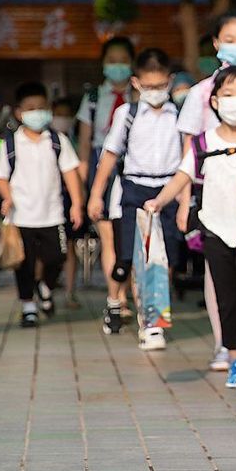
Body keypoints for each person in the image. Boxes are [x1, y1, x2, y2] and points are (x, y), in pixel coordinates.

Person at [146, 66, 236, 393]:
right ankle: (235, 356)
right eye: (228, 95)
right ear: (214, 101)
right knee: (226, 298)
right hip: (215, 229)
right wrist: (159, 201)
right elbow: (182, 177)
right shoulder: (202, 143)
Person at [178, 11, 236, 372]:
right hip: (212, 198)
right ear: (215, 43)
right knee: (217, 280)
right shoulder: (201, 93)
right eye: (230, 39)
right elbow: (189, 147)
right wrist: (185, 201)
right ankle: (223, 344)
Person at [89, 47, 184, 349]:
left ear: (169, 82)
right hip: (134, 189)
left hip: (167, 189)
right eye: (149, 86)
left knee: (164, 257)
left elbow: (187, 159)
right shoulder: (127, 114)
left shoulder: (179, 115)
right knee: (130, 257)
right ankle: (116, 300)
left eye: (160, 86)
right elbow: (110, 155)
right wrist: (96, 194)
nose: (155, 92)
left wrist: (183, 198)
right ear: (136, 83)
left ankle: (152, 320)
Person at [0, 83, 84, 328]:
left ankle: (45, 286)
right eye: (31, 108)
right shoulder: (10, 144)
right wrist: (7, 197)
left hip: (52, 214)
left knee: (57, 256)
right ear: (19, 113)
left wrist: (76, 204)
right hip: (21, 215)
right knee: (24, 263)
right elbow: (1, 176)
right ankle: (28, 306)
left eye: (42, 107)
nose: (37, 113)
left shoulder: (57, 141)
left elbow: (70, 173)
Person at [77, 37, 136, 328]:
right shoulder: (91, 98)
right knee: (109, 237)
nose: (117, 66)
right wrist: (86, 184)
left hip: (135, 167)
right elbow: (86, 143)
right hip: (103, 167)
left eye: (122, 60)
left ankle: (132, 292)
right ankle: (117, 298)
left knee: (132, 234)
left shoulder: (139, 98)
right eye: (111, 60)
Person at [53, 96, 84, 309]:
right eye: (58, 114)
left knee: (71, 246)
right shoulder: (48, 139)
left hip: (69, 199)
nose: (62, 119)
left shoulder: (76, 139)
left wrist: (78, 201)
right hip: (46, 199)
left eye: (67, 115)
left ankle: (70, 291)